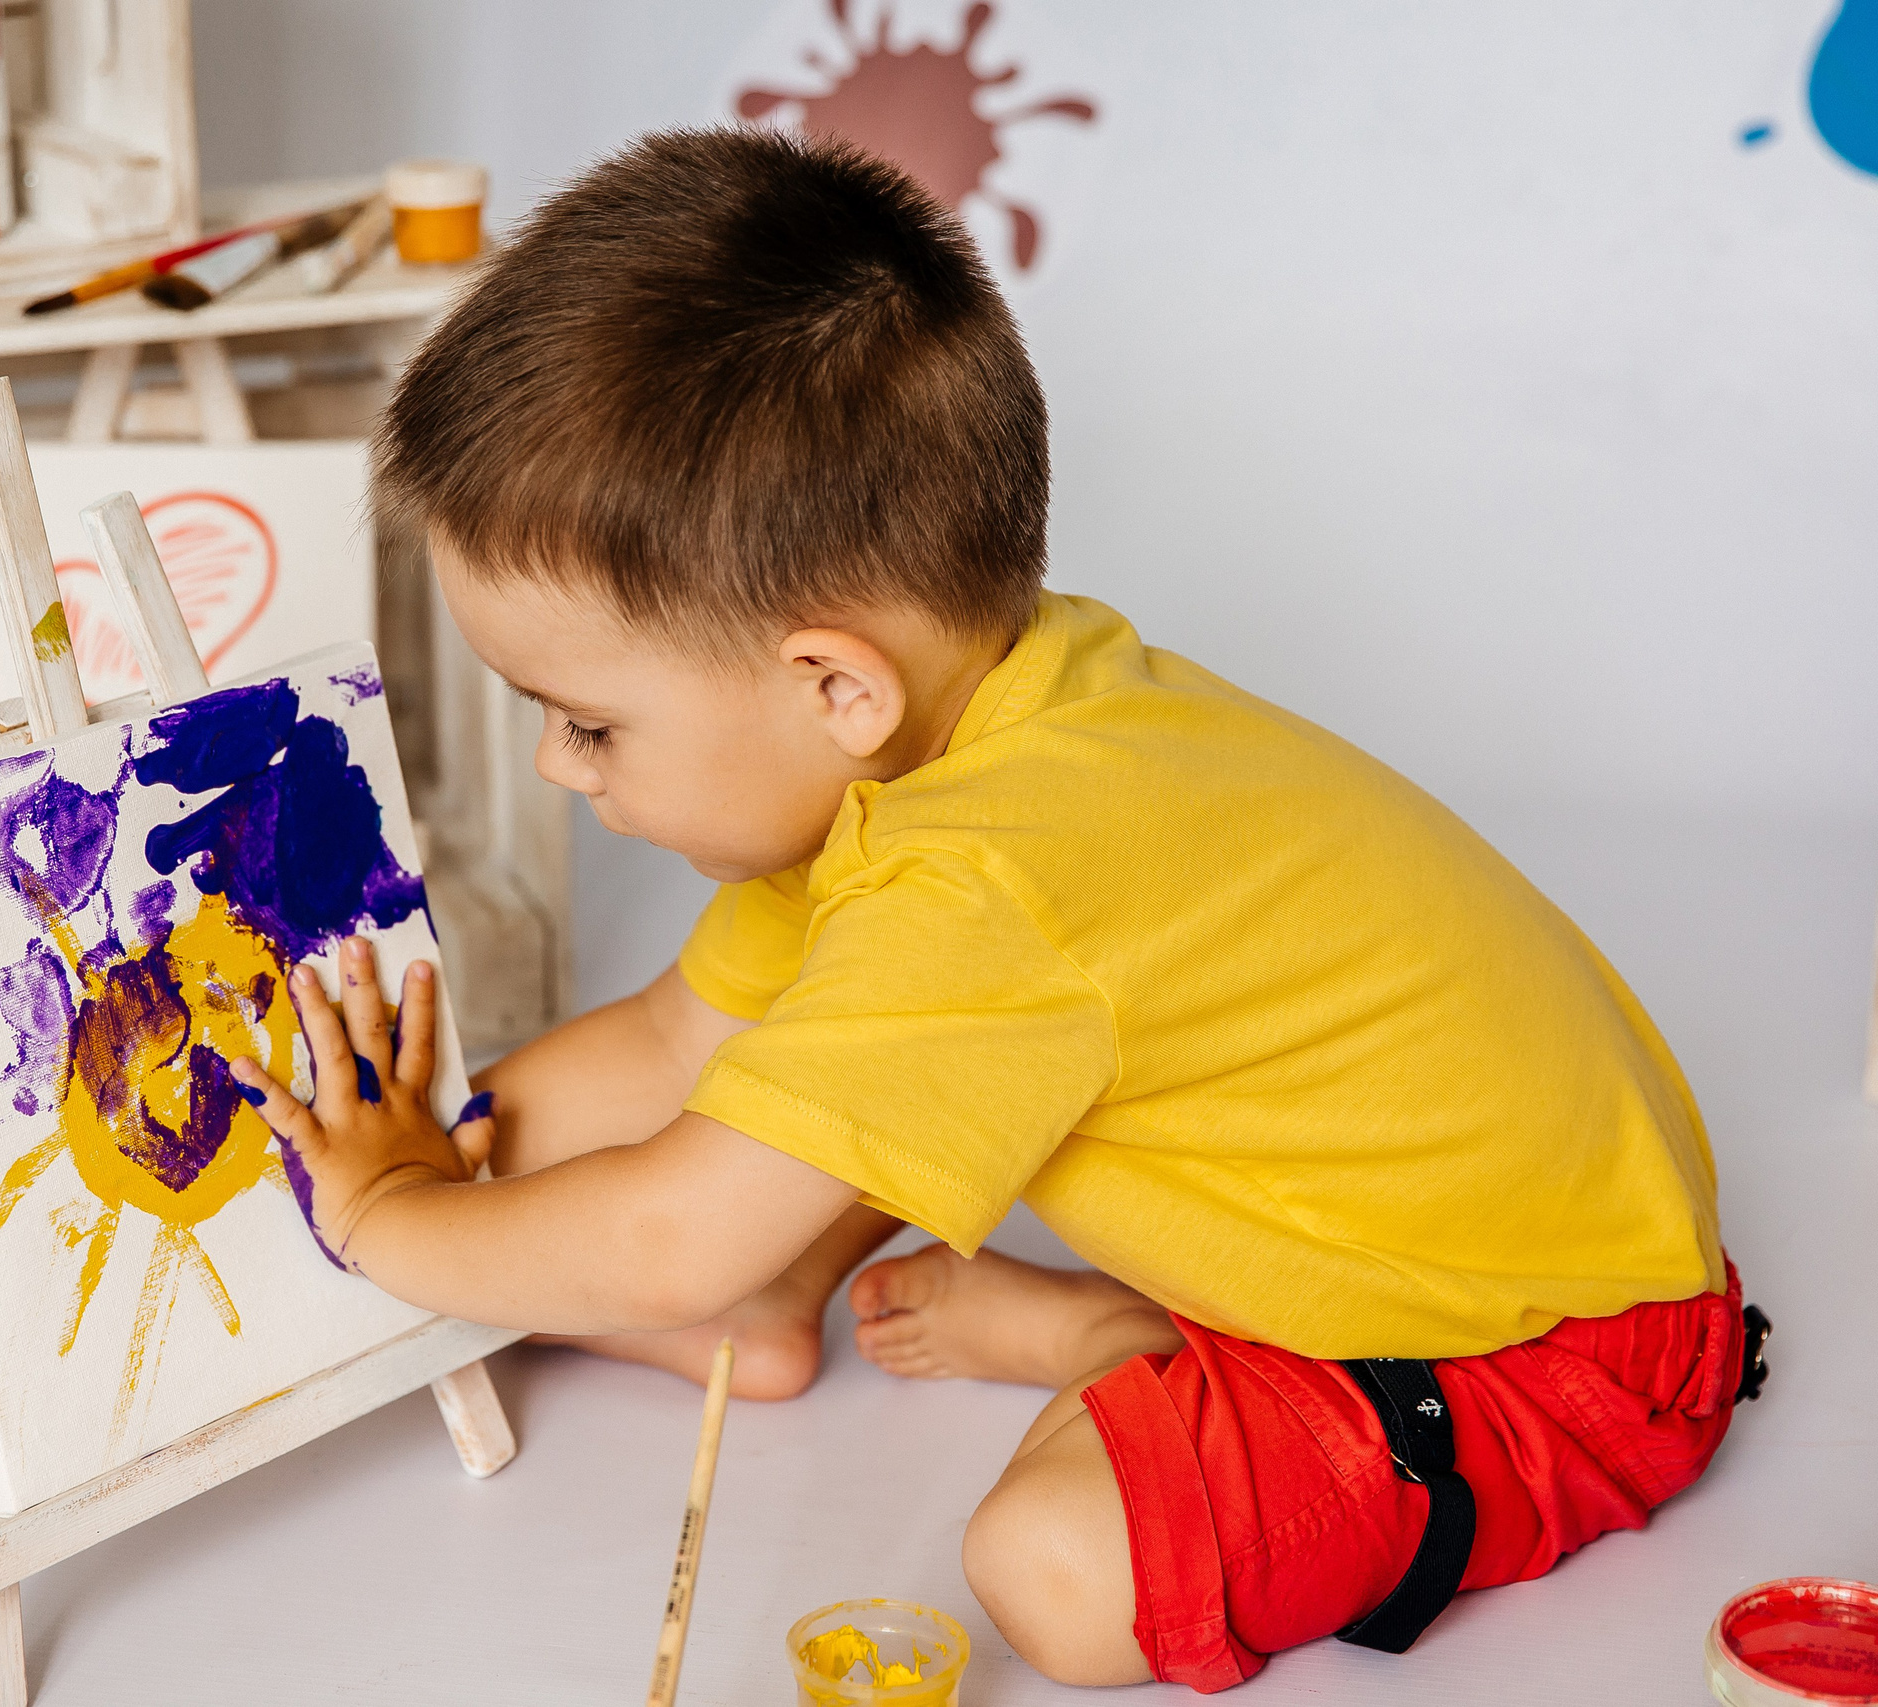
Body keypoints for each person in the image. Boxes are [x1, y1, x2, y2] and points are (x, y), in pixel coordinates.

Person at [227, 127, 1759, 1692]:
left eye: (589, 723)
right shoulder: (980, 709)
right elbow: (676, 1042)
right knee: (835, 1073)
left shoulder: (993, 880)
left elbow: (671, 1242)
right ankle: (801, 1293)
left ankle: (1114, 1341)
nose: (563, 767)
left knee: (1055, 1570)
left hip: (1544, 1355)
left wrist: (387, 1220)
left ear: (836, 685)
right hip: (1468, 1220)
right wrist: (428, 1133)